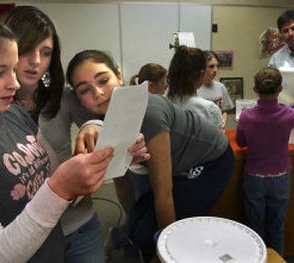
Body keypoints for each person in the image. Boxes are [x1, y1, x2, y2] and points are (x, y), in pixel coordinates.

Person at [0, 12, 115, 263]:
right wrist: (62, 187)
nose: (15, 83)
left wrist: (102, 156)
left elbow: (51, 173)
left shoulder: (13, 112)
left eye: (46, 52)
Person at [66, 49, 235, 262]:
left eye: (103, 80)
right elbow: (122, 183)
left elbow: (163, 193)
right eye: (84, 90)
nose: (98, 93)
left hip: (212, 160)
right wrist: (133, 223)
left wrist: (164, 253)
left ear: (119, 75)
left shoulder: (148, 112)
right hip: (180, 163)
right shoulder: (102, 120)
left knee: (153, 236)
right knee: (137, 227)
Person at [1, 6, 107, 262]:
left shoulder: (60, 97)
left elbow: (101, 122)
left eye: (45, 52)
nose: (36, 60)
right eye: (26, 48)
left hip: (78, 224)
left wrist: (92, 125)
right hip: (25, 234)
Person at [235, 67, 294, 255]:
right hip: (280, 177)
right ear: (280, 89)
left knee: (255, 228)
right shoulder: (288, 115)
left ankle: (257, 258)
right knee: (277, 228)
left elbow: (240, 142)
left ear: (255, 90)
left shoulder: (246, 116)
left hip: (254, 177)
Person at [167, 46, 224, 130]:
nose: (215, 70)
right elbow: (218, 141)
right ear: (201, 73)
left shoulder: (164, 103)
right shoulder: (209, 109)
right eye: (211, 66)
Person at [197, 50, 234, 131]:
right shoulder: (194, 88)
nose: (215, 70)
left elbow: (224, 110)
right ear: (202, 68)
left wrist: (223, 123)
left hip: (218, 133)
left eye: (217, 66)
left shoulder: (220, 87)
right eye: (211, 66)